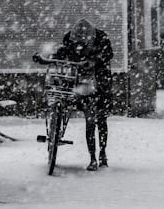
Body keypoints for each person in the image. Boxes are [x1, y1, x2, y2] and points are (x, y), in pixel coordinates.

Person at [36, 18, 114, 171]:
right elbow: (63, 53)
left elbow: (107, 54)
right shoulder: (69, 40)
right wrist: (46, 58)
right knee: (90, 119)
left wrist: (94, 61)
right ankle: (93, 157)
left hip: (99, 78)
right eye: (77, 42)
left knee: (100, 118)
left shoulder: (102, 39)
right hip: (82, 79)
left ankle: (102, 153)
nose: (80, 46)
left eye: (84, 42)